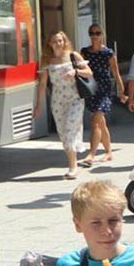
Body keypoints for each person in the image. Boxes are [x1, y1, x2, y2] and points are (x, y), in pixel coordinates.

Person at [37, 30, 94, 179]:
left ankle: (73, 167)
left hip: (75, 98)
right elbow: (42, 84)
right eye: (55, 41)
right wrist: (38, 106)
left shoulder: (72, 55)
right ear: (49, 43)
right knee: (63, 133)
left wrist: (76, 72)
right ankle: (72, 163)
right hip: (57, 101)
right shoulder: (47, 60)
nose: (58, 44)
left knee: (70, 129)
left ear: (64, 41)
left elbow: (89, 72)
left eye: (60, 40)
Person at [81, 25, 123, 167]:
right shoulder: (85, 52)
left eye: (97, 33)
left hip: (104, 88)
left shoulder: (108, 53)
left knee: (95, 120)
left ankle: (91, 154)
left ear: (102, 35)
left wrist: (122, 92)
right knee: (101, 122)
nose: (94, 36)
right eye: (92, 33)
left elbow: (116, 73)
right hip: (91, 87)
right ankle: (109, 151)